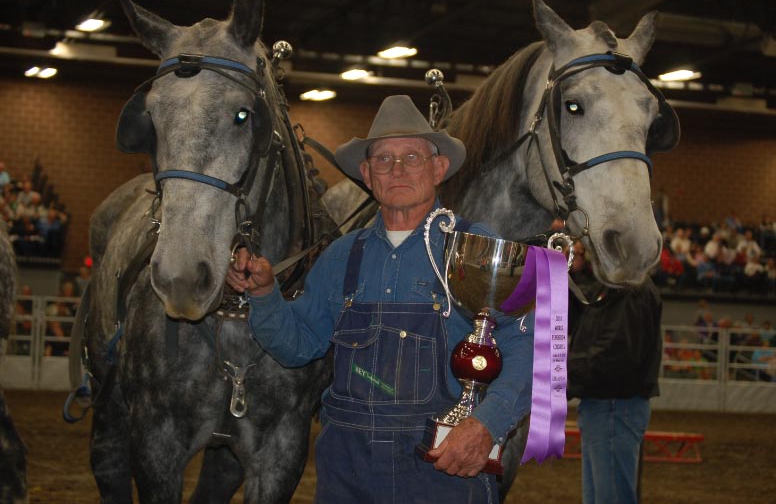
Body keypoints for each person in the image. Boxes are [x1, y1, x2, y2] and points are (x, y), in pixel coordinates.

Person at [227, 95, 532, 503]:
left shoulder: (475, 250)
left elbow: (531, 345)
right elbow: (298, 345)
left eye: (412, 157)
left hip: (442, 465)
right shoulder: (341, 257)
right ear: (368, 175)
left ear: (438, 169)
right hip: (348, 470)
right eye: (384, 160)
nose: (398, 168)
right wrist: (266, 295)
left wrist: (486, 425)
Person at [567, 272, 662, 504]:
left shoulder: (630, 289)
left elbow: (616, 354)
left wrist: (562, 375)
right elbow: (577, 316)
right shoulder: (612, 286)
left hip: (613, 405)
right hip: (606, 406)